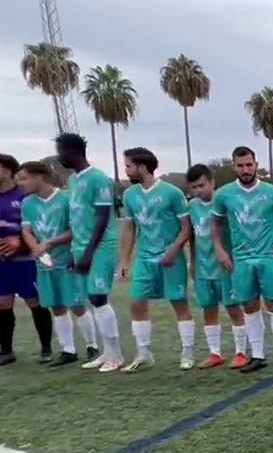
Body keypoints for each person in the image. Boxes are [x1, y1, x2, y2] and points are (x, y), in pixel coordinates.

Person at [211, 146, 273, 374]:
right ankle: (258, 355)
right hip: (242, 259)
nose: (245, 169)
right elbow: (216, 223)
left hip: (268, 257)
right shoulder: (224, 195)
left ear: (256, 164)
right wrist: (219, 249)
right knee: (249, 306)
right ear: (234, 166)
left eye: (249, 165)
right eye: (240, 165)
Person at [119, 147, 196, 372]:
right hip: (145, 258)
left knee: (179, 303)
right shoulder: (130, 195)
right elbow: (130, 228)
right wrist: (125, 260)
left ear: (142, 167)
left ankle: (187, 352)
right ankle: (144, 353)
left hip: (171, 259)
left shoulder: (172, 193)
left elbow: (186, 227)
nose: (127, 170)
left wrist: (174, 249)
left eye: (129, 166)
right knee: (136, 302)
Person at [0, 152, 54, 366]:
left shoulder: (26, 196)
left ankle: (47, 349)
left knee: (35, 302)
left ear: (8, 171)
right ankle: (6, 351)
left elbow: (41, 226)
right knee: (1, 304)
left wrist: (19, 241)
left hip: (26, 261)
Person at [17, 161, 97, 366]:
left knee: (76, 303)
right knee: (56, 305)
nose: (20, 183)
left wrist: (49, 243)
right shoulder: (27, 203)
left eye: (24, 178)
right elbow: (27, 230)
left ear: (39, 177)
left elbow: (75, 230)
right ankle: (68, 349)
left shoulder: (66, 200)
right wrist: (36, 248)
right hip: (44, 262)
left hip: (68, 259)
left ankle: (92, 345)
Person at [57, 132, 124, 372]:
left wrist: (88, 253)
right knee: (93, 300)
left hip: (102, 247)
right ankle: (106, 352)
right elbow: (78, 218)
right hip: (81, 248)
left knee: (98, 297)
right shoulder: (74, 180)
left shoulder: (98, 178)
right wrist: (77, 250)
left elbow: (103, 217)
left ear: (72, 151)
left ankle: (116, 355)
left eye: (61, 151)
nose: (59, 157)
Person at [186, 164, 249, 370]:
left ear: (212, 182)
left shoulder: (224, 203)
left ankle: (241, 352)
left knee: (233, 308)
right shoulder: (193, 207)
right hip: (204, 269)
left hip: (225, 266)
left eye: (201, 185)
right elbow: (194, 238)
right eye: (193, 187)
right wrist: (194, 262)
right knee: (208, 309)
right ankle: (215, 353)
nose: (198, 191)